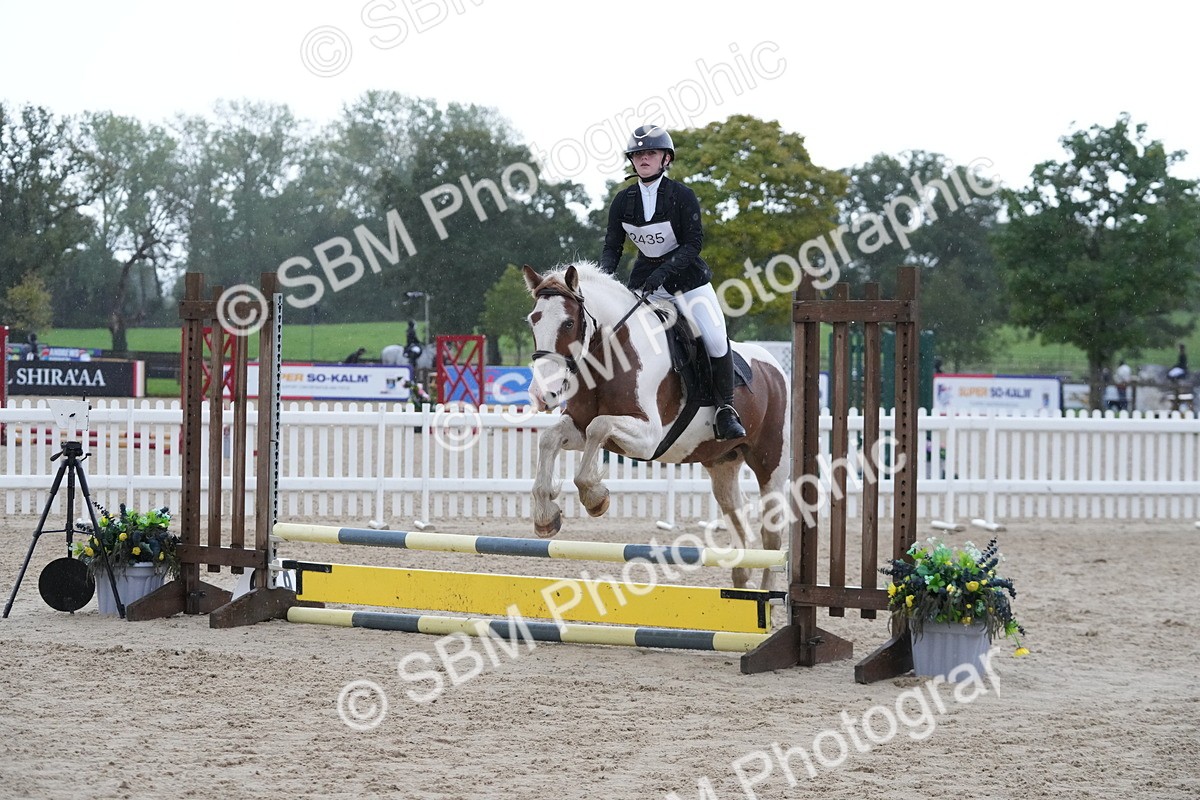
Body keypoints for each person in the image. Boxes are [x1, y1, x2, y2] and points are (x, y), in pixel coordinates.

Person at [598, 125, 745, 440]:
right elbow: (612, 247)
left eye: (650, 153)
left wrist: (664, 273)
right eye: (638, 154)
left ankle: (725, 409)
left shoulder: (682, 196)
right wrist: (602, 279)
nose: (643, 158)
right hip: (645, 283)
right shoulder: (622, 201)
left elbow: (693, 245)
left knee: (715, 339)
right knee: (621, 336)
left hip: (689, 282)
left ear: (666, 158)